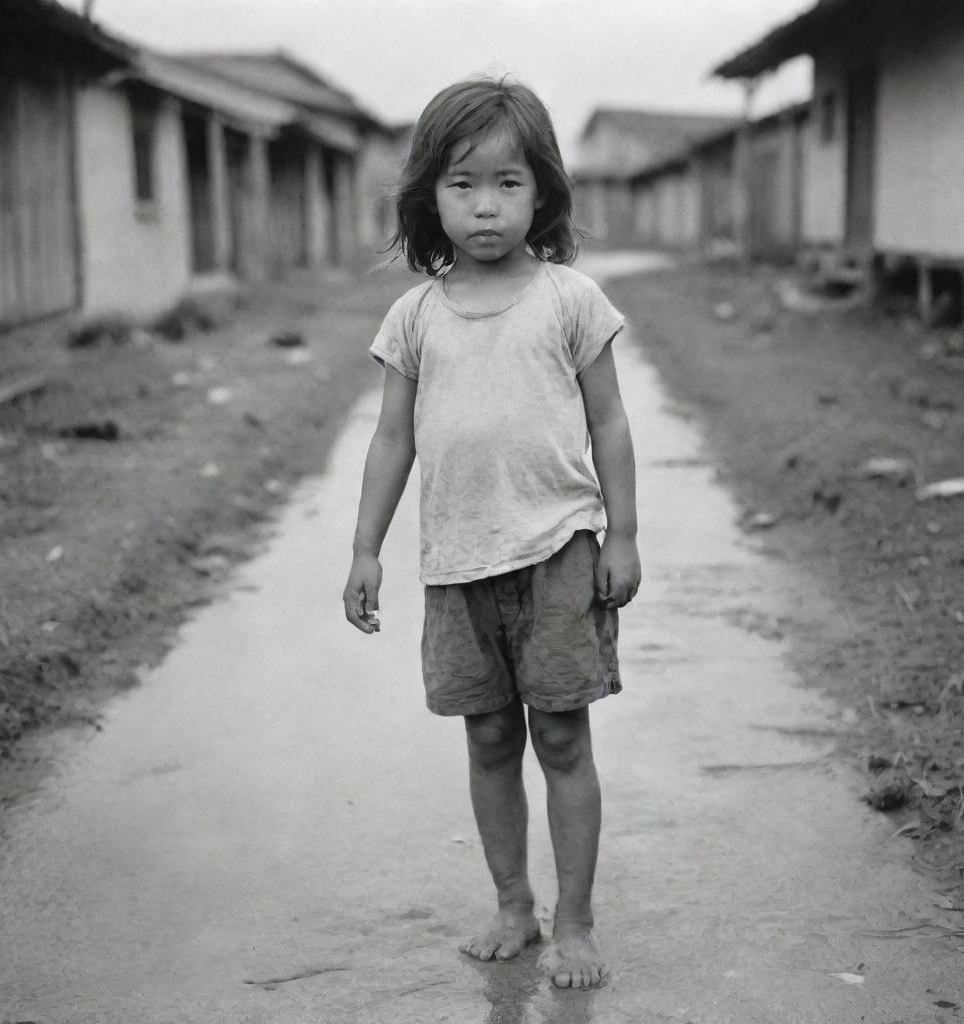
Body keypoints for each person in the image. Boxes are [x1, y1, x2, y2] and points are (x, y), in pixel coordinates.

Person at [342, 76, 639, 991]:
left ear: (542, 192)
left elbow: (612, 425)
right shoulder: (415, 316)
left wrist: (622, 535)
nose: (485, 205)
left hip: (558, 555)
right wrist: (365, 548)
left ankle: (578, 921)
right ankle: (516, 904)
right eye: (463, 183)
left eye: (508, 183)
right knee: (487, 740)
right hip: (457, 564)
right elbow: (392, 438)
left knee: (562, 740)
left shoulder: (570, 300)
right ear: (429, 194)